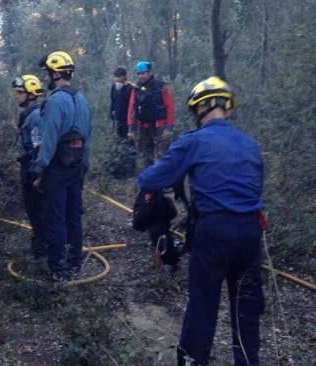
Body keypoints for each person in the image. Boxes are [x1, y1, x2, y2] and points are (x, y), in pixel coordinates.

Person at [136, 76, 265, 365]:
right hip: (250, 234)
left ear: (200, 109)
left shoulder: (194, 141)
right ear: (227, 109)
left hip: (214, 233)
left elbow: (151, 178)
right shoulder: (251, 144)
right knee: (246, 309)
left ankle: (195, 360)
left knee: (203, 305)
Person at [30, 51, 93, 281]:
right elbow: (88, 140)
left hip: (56, 169)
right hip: (76, 169)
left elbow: (49, 139)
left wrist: (39, 169)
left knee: (55, 219)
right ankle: (75, 262)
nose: (45, 78)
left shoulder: (55, 101)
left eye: (47, 73)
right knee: (73, 216)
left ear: (56, 73)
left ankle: (57, 268)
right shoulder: (83, 100)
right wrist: (84, 168)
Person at [11, 74, 47, 264]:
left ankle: (42, 252)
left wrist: (36, 175)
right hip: (29, 168)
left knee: (38, 211)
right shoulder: (30, 114)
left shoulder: (35, 116)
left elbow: (38, 147)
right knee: (34, 211)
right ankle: (40, 245)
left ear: (31, 94)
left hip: (32, 171)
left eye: (20, 92)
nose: (17, 96)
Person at [127, 60, 175, 167]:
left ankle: (165, 181)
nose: (141, 76)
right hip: (143, 127)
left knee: (163, 156)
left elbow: (170, 106)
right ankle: (149, 182)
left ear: (150, 73)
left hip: (160, 126)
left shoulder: (162, 86)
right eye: (139, 74)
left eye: (143, 73)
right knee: (145, 158)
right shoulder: (136, 89)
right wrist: (131, 128)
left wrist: (169, 126)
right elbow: (131, 108)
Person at [109, 66, 133, 140]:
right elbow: (113, 101)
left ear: (124, 76)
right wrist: (112, 114)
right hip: (117, 120)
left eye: (119, 77)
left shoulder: (130, 88)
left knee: (128, 141)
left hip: (127, 121)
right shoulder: (114, 87)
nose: (117, 79)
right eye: (116, 77)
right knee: (117, 140)